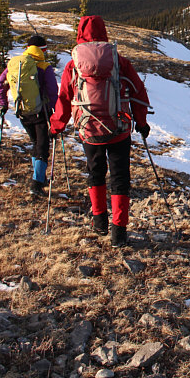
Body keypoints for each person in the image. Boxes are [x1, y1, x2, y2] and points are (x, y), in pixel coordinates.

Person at [49, 16, 150, 248]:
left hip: (89, 130)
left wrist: (57, 126)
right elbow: (138, 93)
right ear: (104, 32)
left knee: (95, 173)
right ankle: (119, 231)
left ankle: (99, 221)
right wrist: (142, 123)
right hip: (119, 129)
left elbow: (64, 98)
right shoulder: (118, 61)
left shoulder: (73, 65)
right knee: (120, 177)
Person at [0, 34, 59, 197]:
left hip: (22, 111)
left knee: (35, 142)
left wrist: (3, 103)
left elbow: (1, 84)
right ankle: (37, 183)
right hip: (41, 112)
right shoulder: (44, 67)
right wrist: (53, 111)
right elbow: (53, 92)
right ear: (42, 50)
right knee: (42, 146)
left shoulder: (15, 64)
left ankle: (39, 177)